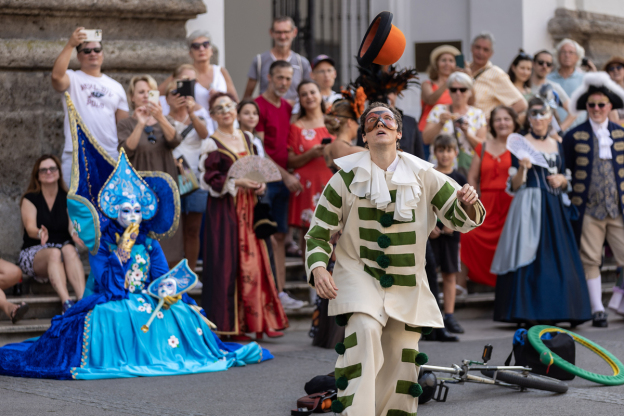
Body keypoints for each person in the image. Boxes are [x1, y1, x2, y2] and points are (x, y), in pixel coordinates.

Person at [0, 131, 270, 379]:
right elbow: (107, 285)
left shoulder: (150, 243)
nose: (132, 216)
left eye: (137, 210)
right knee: (112, 316)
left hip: (146, 296)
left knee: (181, 312)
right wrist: (119, 255)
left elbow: (161, 275)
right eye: (126, 210)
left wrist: (167, 288)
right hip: (112, 297)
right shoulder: (102, 244)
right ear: (114, 212)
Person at [306, 101, 484, 415]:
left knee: (402, 355)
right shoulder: (344, 178)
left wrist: (468, 201)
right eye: (372, 120)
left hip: (406, 280)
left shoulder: (424, 174)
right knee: (365, 332)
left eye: (387, 118)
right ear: (364, 136)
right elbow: (318, 232)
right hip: (358, 272)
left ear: (399, 132)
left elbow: (459, 218)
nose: (380, 123)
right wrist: (319, 266)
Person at [491, 97, 591, 325]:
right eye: (533, 114)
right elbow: (514, 186)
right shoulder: (519, 143)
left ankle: (563, 309)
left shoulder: (557, 143)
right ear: (528, 118)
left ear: (549, 117)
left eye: (542, 114)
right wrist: (523, 169)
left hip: (555, 206)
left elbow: (567, 177)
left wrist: (561, 180)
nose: (538, 119)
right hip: (528, 204)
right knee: (527, 256)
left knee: (559, 257)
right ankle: (526, 312)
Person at [199, 92, 289, 340]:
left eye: (229, 106)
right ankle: (232, 325)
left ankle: (258, 320)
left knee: (256, 263)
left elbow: (258, 170)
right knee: (229, 264)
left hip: (250, 207)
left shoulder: (248, 137)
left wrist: (260, 185)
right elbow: (207, 180)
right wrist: (236, 180)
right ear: (213, 115)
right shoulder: (211, 143)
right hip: (226, 209)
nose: (226, 110)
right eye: (220, 108)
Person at [563, 73, 624, 328]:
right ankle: (598, 309)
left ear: (610, 106)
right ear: (586, 107)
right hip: (588, 208)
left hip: (618, 208)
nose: (597, 109)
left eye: (601, 105)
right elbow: (564, 169)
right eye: (592, 105)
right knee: (590, 259)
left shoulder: (621, 133)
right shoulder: (573, 136)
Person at [117, 75, 184, 267]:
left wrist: (160, 117)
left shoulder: (166, 120)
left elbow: (175, 140)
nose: (145, 96)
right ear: (132, 97)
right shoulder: (125, 124)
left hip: (165, 188)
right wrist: (140, 122)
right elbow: (126, 150)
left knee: (169, 234)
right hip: (138, 191)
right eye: (141, 92)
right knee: (139, 233)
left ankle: (167, 285)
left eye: (149, 92)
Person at [255, 60, 305, 309]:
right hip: (266, 181)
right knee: (266, 237)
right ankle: (266, 291)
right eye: (280, 78)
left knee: (282, 236)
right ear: (269, 77)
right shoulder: (258, 106)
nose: (284, 83)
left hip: (285, 180)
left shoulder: (288, 107)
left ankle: (281, 292)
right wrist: (285, 175)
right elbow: (260, 149)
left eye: (288, 78)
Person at [51, 27, 129, 186]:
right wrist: (71, 44)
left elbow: (123, 127)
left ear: (102, 54)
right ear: (79, 56)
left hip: (109, 154)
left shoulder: (116, 87)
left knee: (109, 207)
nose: (92, 53)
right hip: (77, 153)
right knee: (76, 207)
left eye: (97, 49)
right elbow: (56, 77)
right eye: (86, 51)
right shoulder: (72, 78)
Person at [19, 155, 85, 313]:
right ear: (37, 176)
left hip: (63, 250)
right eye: (43, 170)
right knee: (55, 253)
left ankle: (83, 301)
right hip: (35, 252)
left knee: (69, 249)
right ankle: (66, 303)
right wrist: (40, 232)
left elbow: (71, 225)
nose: (48, 172)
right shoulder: (30, 198)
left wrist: (75, 233)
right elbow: (30, 228)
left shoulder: (67, 197)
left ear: (59, 172)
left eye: (52, 168)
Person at [461, 106, 518, 288]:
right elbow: (472, 177)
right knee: (468, 236)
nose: (502, 123)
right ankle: (460, 285)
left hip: (512, 205)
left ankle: (510, 284)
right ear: (492, 124)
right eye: (498, 119)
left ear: (514, 122)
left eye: (506, 119)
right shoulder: (483, 146)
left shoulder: (520, 146)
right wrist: (472, 198)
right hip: (486, 206)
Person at [164, 81, 209, 273]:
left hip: (194, 179)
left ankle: (189, 273)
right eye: (174, 93)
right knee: (173, 231)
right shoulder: (162, 119)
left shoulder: (197, 117)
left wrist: (192, 112)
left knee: (193, 230)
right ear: (166, 98)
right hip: (171, 180)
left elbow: (205, 134)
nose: (179, 97)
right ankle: (171, 271)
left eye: (182, 93)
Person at [428, 134, 468, 334]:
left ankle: (449, 316)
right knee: (429, 275)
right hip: (431, 234)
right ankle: (430, 317)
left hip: (451, 235)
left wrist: (454, 224)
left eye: (448, 150)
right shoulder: (429, 174)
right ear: (435, 152)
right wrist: (430, 226)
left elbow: (465, 206)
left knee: (450, 274)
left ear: (455, 153)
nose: (445, 155)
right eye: (441, 150)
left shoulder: (460, 177)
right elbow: (424, 204)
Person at [287, 81, 334, 230]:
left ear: (320, 94)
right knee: (308, 234)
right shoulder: (296, 127)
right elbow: (290, 161)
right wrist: (310, 154)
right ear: (300, 99)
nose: (309, 97)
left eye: (312, 92)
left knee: (335, 232)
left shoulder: (334, 121)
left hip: (332, 180)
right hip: (307, 185)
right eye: (304, 94)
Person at [423, 72, 487, 175]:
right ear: (449, 91)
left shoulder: (477, 114)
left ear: (470, 91)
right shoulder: (439, 110)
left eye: (463, 89)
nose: (458, 93)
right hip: (439, 171)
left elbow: (482, 148)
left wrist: (467, 134)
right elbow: (425, 139)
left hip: (467, 170)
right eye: (453, 89)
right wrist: (440, 124)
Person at [159, 31, 238, 107]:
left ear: (211, 50)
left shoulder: (221, 71)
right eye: (196, 46)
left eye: (205, 44)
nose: (201, 49)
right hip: (195, 118)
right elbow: (157, 92)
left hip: (221, 118)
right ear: (190, 53)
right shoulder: (185, 72)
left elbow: (235, 100)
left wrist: (219, 96)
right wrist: (171, 102)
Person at [244, 16, 312, 105]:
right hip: (267, 114)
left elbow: (310, 92)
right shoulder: (260, 61)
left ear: (294, 32)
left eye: (286, 32)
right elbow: (247, 96)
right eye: (278, 32)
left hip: (294, 115)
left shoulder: (302, 63)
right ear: (271, 33)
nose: (282, 36)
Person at [468, 32, 527, 118]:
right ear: (471, 48)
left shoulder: (496, 74)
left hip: (482, 128)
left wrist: (494, 122)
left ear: (491, 53)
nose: (480, 52)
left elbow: (521, 104)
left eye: (485, 50)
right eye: (477, 47)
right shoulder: (464, 69)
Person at [548, 38, 595, 130]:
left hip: (579, 131)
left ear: (577, 57)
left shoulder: (585, 79)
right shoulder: (548, 79)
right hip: (553, 132)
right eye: (563, 52)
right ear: (557, 55)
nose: (567, 55)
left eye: (571, 52)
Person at [530, 50, 576, 132]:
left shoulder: (554, 87)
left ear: (551, 68)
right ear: (533, 64)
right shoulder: (523, 85)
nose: (544, 66)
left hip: (546, 135)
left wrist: (559, 130)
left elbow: (573, 111)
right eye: (541, 62)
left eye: (548, 64)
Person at [420, 45, 460, 133]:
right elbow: (431, 100)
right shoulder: (427, 84)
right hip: (427, 131)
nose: (447, 64)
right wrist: (448, 81)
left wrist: (469, 77)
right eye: (443, 60)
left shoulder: (458, 88)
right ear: (436, 64)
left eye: (451, 61)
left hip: (449, 132)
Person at [323, 98, 366, 170]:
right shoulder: (358, 152)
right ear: (350, 122)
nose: (358, 126)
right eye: (356, 121)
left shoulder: (326, 149)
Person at [604, 56, 624, 124]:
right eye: (611, 69)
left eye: (619, 67)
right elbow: (614, 122)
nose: (615, 70)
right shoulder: (608, 93)